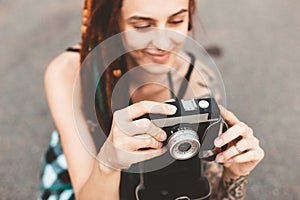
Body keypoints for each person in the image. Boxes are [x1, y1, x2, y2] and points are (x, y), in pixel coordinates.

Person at [39, 0, 264, 199]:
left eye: (176, 20)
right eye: (142, 25)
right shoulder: (70, 72)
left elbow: (203, 192)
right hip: (86, 175)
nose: (163, 42)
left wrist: (235, 174)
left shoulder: (198, 83)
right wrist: (108, 164)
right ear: (114, 20)